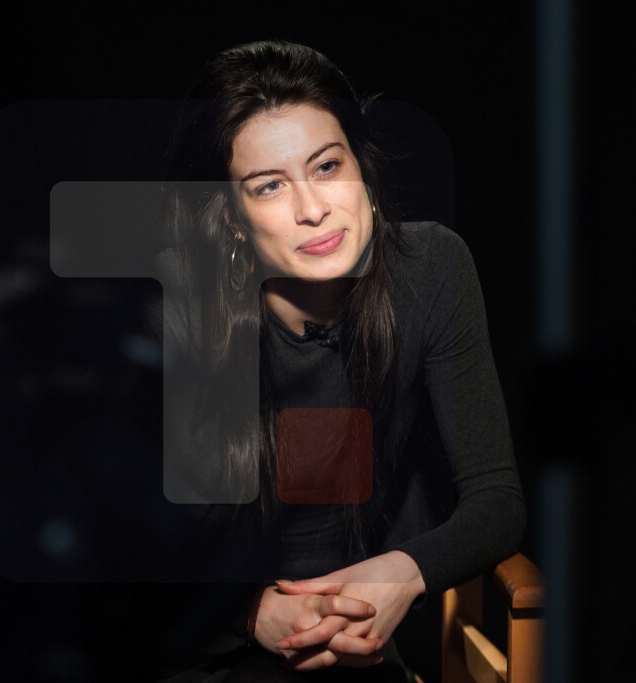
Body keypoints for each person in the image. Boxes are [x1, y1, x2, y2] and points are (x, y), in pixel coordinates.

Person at [152, 40, 524, 681]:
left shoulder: (430, 269)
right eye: (269, 186)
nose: (313, 209)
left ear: (361, 164)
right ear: (233, 219)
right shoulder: (176, 304)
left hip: (365, 640)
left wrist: (400, 575)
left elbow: (497, 499)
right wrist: (254, 612)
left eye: (327, 167)